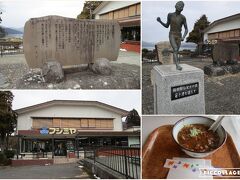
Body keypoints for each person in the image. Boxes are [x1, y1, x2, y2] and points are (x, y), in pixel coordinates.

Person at [157, 1, 188, 70]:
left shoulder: (183, 18)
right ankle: (177, 65)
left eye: (182, 6)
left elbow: (186, 29)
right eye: (179, 5)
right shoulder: (170, 15)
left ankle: (167, 50)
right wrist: (160, 21)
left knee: (175, 51)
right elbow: (167, 25)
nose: (180, 6)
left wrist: (183, 37)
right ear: (175, 6)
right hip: (172, 34)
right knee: (176, 49)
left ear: (182, 9)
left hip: (179, 35)